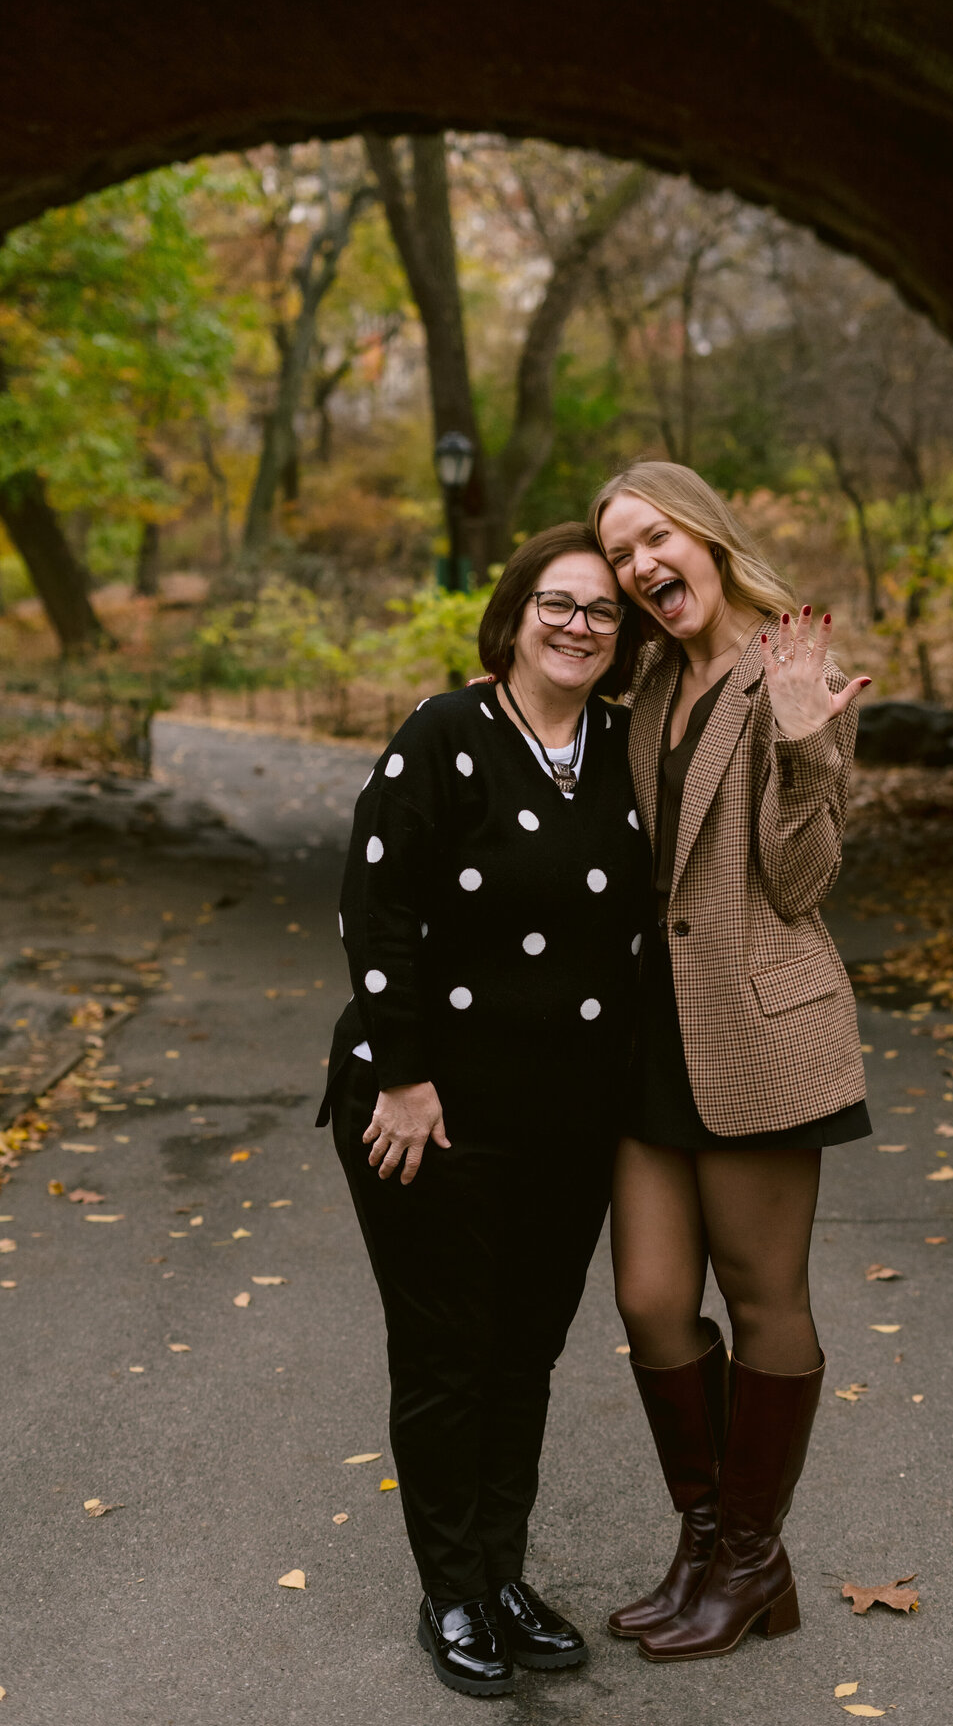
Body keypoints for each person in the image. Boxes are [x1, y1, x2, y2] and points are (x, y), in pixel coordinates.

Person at [316, 523, 650, 1698]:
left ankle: (502, 1575)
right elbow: (374, 908)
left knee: (524, 1355)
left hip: (570, 1115)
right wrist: (403, 1078)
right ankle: (450, 1590)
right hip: (430, 1110)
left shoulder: (626, 749)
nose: (578, 626)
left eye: (602, 610)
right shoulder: (444, 736)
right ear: (512, 616)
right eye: (557, 603)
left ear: (621, 637)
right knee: (448, 1353)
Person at [588, 461, 873, 1664]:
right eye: (621, 554)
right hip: (654, 1029)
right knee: (651, 1299)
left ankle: (749, 1558)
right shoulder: (655, 677)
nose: (641, 565)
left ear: (705, 534)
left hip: (757, 1027)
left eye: (656, 537)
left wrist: (809, 749)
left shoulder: (792, 669)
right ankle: (707, 1544)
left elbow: (801, 885)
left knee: (764, 1301)